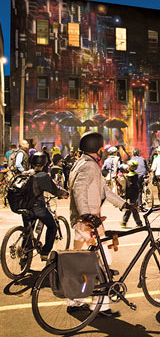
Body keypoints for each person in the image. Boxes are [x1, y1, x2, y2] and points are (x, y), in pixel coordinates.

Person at [68, 132, 130, 317]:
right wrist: (86, 214)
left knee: (81, 262)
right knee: (104, 262)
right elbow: (79, 189)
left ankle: (75, 301)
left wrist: (124, 204)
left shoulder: (81, 164)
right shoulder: (89, 167)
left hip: (81, 222)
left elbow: (104, 191)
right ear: (98, 149)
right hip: (88, 223)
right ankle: (101, 306)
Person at [25, 152, 69, 261]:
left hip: (23, 207)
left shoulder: (25, 173)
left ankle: (25, 253)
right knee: (52, 226)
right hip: (37, 207)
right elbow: (55, 190)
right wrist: (65, 193)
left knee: (27, 230)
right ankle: (45, 252)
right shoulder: (43, 176)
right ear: (44, 163)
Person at [121, 160, 143, 228]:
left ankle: (138, 223)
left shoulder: (128, 177)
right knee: (131, 208)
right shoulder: (136, 175)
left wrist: (126, 196)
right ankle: (124, 222)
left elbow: (128, 187)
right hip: (135, 194)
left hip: (131, 195)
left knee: (132, 209)